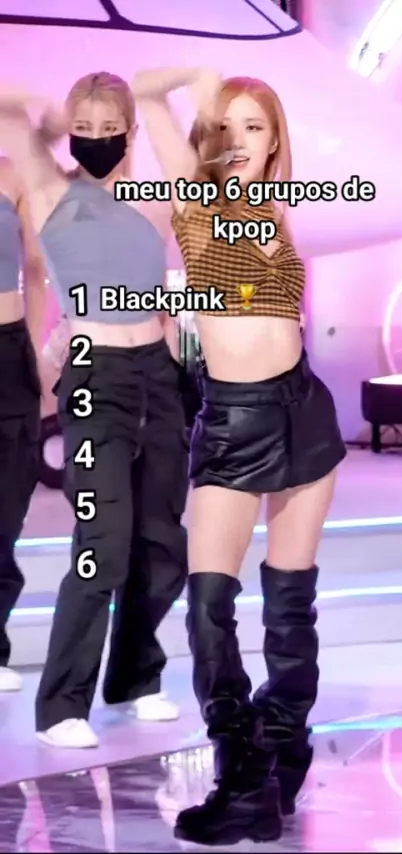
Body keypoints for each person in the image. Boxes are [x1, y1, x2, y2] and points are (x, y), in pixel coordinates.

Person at [132, 68, 347, 844]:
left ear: (276, 139)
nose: (240, 141)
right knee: (208, 605)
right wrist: (202, 85)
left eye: (255, 127)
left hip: (304, 412)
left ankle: (283, 752)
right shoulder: (195, 200)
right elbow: (144, 92)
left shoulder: (278, 212)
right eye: (227, 126)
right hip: (231, 420)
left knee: (290, 601)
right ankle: (242, 771)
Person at [0, 73, 188, 749]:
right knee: (101, 542)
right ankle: (61, 705)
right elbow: (7, 112)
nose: (97, 140)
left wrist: (172, 89)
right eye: (86, 128)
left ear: (131, 133)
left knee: (160, 540)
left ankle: (136, 678)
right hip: (95, 376)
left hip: (157, 373)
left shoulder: (151, 201)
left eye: (111, 129)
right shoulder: (52, 190)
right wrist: (46, 118)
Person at [0, 157, 46, 693]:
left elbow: (34, 267)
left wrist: (30, 344)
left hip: (9, 348)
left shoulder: (10, 174)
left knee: (7, 503)